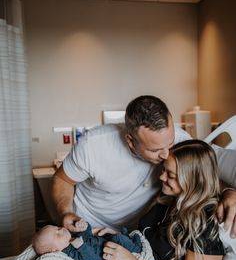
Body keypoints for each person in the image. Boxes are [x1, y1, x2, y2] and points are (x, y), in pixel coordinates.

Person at [52, 95, 236, 235]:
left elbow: (201, 173)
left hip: (137, 233)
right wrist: (65, 213)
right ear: (131, 141)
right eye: (155, 150)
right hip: (89, 224)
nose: (166, 155)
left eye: (170, 144)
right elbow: (63, 179)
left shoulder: (180, 141)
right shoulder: (93, 145)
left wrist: (228, 192)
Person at [102, 139, 225, 260]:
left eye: (171, 175)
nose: (161, 177)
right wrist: (122, 241)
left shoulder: (205, 223)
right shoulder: (168, 200)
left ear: (193, 179)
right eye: (164, 170)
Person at [32, 220, 142, 260]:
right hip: (107, 252)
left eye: (57, 228)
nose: (61, 229)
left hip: (103, 240)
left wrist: (84, 227)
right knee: (118, 238)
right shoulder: (69, 252)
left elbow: (87, 235)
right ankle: (137, 248)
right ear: (55, 250)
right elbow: (90, 259)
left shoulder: (71, 239)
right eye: (57, 235)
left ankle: (129, 237)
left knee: (115, 236)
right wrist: (81, 246)